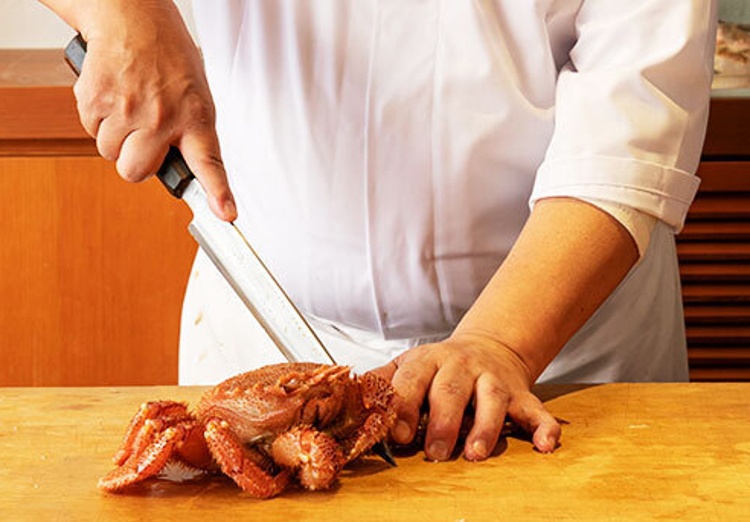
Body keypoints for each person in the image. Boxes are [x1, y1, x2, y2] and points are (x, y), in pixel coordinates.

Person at [40, 1, 718, 463]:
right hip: (268, 332)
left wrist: (499, 342)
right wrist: (122, 13)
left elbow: (629, 126)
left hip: (563, 352)